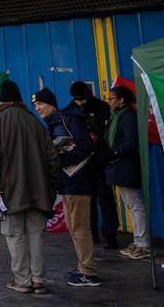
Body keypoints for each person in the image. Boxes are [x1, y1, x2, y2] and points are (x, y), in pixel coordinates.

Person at [0, 79, 60, 295]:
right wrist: (51, 186)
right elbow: (53, 159)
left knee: (15, 235)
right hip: (38, 191)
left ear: (2, 99)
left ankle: (22, 280)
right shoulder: (35, 122)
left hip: (9, 192)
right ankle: (38, 279)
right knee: (35, 235)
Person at [32, 87, 99, 287]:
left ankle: (88, 272)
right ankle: (82, 267)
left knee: (80, 228)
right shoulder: (54, 124)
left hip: (78, 182)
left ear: (51, 104)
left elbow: (86, 147)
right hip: (68, 184)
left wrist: (60, 160)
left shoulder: (68, 121)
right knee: (73, 226)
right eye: (35, 105)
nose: (38, 108)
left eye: (40, 104)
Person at [67, 81, 117, 249]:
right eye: (77, 100)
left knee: (106, 199)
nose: (80, 103)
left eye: (83, 99)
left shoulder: (101, 107)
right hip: (82, 162)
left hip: (100, 159)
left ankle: (110, 235)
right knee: (87, 200)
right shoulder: (69, 112)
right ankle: (92, 233)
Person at [106, 85, 149, 260]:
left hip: (126, 166)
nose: (109, 101)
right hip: (117, 167)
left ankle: (143, 243)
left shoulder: (128, 117)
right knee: (131, 206)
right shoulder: (114, 117)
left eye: (112, 98)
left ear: (122, 100)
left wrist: (115, 152)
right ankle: (138, 240)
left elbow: (132, 142)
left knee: (136, 205)